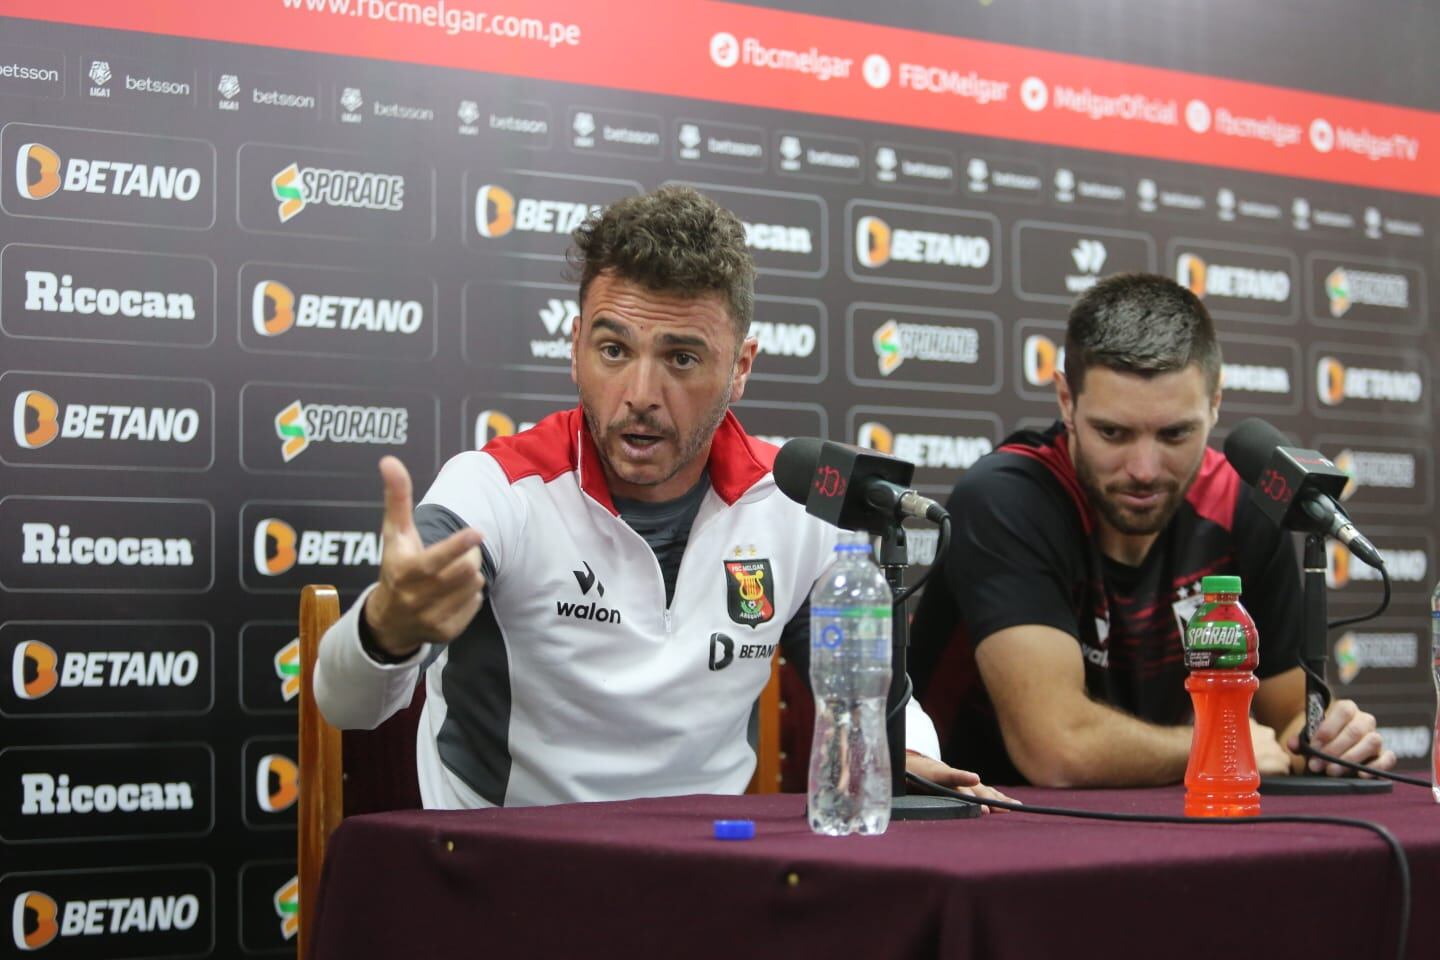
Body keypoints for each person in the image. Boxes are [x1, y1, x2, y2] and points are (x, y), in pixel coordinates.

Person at [315, 185, 1007, 809]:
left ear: (740, 368)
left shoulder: (795, 506)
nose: (641, 395)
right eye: (614, 350)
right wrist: (387, 627)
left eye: (681, 358)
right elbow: (345, 705)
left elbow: (861, 678)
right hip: (508, 880)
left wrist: (911, 752)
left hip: (707, 881)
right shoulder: (497, 487)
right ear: (576, 346)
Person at [909, 272, 1396, 787]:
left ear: (1215, 404)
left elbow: (1287, 718)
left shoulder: (1241, 504)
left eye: (1174, 433)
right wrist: (1220, 744)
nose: (1143, 468)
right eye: (1113, 432)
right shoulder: (1009, 496)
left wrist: (1328, 740)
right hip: (991, 826)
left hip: (1168, 818)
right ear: (1066, 401)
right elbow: (1056, 749)